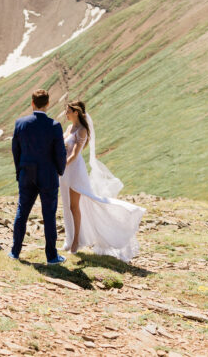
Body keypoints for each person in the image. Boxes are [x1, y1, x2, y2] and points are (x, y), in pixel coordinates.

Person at [60, 100, 145, 261]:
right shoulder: (69, 128)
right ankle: (69, 239)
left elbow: (75, 154)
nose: (66, 114)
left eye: (68, 111)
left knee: (74, 206)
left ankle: (76, 241)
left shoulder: (82, 130)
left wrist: (62, 165)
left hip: (74, 170)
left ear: (75, 112)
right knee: (67, 205)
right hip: (65, 172)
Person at [9, 89, 68, 265]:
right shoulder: (54, 126)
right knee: (49, 215)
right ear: (48, 104)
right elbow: (60, 153)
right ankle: (51, 256)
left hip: (26, 173)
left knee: (22, 212)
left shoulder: (20, 123)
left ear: (32, 103)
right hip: (48, 175)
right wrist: (60, 170)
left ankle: (15, 252)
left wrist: (19, 169)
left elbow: (15, 149)